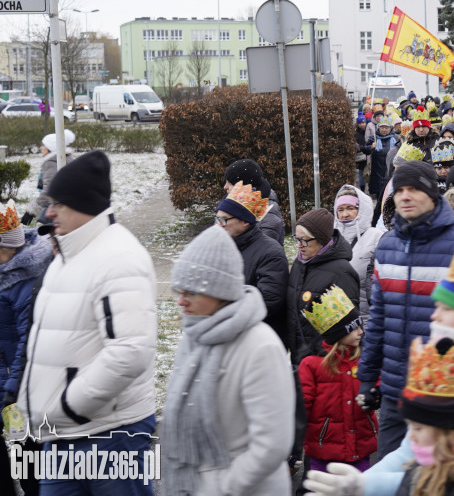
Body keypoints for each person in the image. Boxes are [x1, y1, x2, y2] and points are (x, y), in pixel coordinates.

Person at [18, 151, 158, 494]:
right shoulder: (68, 255)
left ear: (84, 206)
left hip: (111, 437)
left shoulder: (119, 258)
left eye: (58, 204)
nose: (48, 212)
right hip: (62, 433)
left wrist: (67, 406)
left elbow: (129, 351)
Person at [359, 160, 454, 456]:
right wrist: (367, 378)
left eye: (413, 189)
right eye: (399, 190)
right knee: (390, 479)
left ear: (431, 195)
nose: (404, 196)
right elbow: (379, 318)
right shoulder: (387, 246)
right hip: (394, 392)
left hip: (442, 392)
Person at [162, 225, 294, 496]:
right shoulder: (196, 333)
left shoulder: (260, 346)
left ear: (220, 291)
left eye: (191, 292)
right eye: (179, 290)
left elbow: (272, 445)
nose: (181, 302)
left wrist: (221, 487)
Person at [308, 338, 454, 496]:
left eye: (419, 428)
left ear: (446, 430)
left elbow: (420, 483)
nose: (411, 437)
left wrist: (362, 486)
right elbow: (410, 466)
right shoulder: (448, 456)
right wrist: (360, 484)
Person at [299, 287, 378, 475]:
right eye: (354, 328)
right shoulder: (311, 365)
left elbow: (377, 382)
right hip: (324, 449)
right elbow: (302, 405)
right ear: (338, 334)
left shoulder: (364, 359)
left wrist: (375, 395)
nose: (361, 332)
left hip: (360, 445)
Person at [0, 201, 50, 496]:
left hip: (15, 391)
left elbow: (26, 341)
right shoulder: (5, 272)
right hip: (6, 381)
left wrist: (12, 389)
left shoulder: (22, 282)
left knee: (26, 454)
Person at [217, 181, 290, 343]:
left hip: (259, 341)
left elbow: (269, 301)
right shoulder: (223, 247)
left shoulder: (271, 253)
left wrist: (223, 310)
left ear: (245, 222)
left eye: (225, 220)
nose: (219, 225)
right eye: (218, 219)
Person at [288, 208, 360, 364]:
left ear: (321, 240)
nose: (299, 246)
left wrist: (319, 356)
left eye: (305, 240)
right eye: (297, 239)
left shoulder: (342, 273)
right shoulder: (300, 263)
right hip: (299, 358)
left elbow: (348, 330)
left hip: (324, 363)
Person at [334, 184, 386, 315]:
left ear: (361, 209)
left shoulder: (376, 236)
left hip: (367, 315)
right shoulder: (331, 238)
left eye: (350, 208)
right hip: (338, 315)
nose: (345, 214)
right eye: (340, 210)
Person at [223, 158, 286, 245]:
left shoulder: (267, 215)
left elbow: (258, 251)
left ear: (244, 187)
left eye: (229, 182)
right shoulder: (229, 207)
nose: (225, 187)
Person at [22, 129, 75, 225]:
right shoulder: (66, 158)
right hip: (69, 204)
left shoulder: (51, 162)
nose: (41, 148)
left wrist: (31, 211)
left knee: (48, 232)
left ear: (50, 148)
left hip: (56, 205)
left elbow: (49, 189)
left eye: (43, 145)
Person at [366, 115, 399, 201]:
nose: (384, 130)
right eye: (382, 127)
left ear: (390, 128)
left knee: (390, 195)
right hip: (377, 171)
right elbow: (365, 150)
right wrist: (371, 147)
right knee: (379, 197)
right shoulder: (374, 138)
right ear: (379, 128)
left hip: (390, 171)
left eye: (386, 128)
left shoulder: (395, 138)